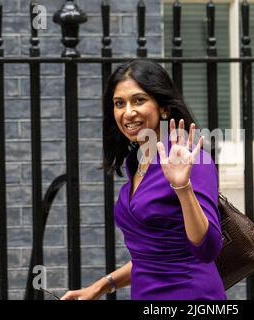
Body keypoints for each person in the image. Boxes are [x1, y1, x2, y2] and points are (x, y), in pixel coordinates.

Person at [61, 59, 226, 300]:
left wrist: (182, 188)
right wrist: (101, 286)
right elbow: (152, 257)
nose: (128, 112)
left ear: (163, 108)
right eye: (119, 103)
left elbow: (208, 248)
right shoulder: (136, 165)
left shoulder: (192, 161)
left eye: (139, 100)